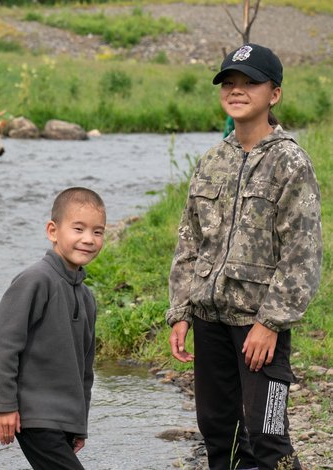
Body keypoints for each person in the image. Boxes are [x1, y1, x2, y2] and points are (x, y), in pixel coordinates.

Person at [166, 43, 322, 470]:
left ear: (274, 94)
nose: (237, 90)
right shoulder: (211, 160)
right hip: (209, 322)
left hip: (260, 330)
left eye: (250, 82)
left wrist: (270, 324)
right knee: (219, 434)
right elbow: (188, 240)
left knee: (268, 434)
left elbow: (302, 254)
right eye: (229, 82)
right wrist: (180, 310)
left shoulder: (290, 162)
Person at [0, 187, 106, 470]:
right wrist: (3, 405)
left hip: (63, 417)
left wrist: (79, 424)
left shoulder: (86, 297)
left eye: (98, 232)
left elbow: (85, 369)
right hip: (32, 414)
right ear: (53, 231)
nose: (88, 239)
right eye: (78, 229)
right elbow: (2, 346)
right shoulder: (35, 280)